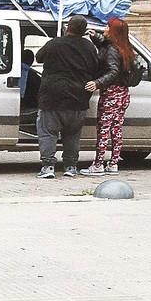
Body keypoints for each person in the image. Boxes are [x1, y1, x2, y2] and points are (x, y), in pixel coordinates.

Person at [33, 14, 100, 180]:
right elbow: (96, 67)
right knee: (72, 134)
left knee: (48, 132)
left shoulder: (54, 44)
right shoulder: (89, 47)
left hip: (52, 97)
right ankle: (70, 166)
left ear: (67, 28)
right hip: (78, 98)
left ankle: (48, 167)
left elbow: (38, 57)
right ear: (84, 31)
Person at [86, 16, 140, 176]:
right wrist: (96, 38)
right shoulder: (124, 47)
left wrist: (97, 83)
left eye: (108, 27)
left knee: (103, 129)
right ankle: (113, 163)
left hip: (111, 94)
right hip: (123, 94)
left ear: (114, 31)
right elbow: (106, 46)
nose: (106, 29)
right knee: (116, 130)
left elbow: (113, 70)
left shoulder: (112, 50)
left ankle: (98, 165)